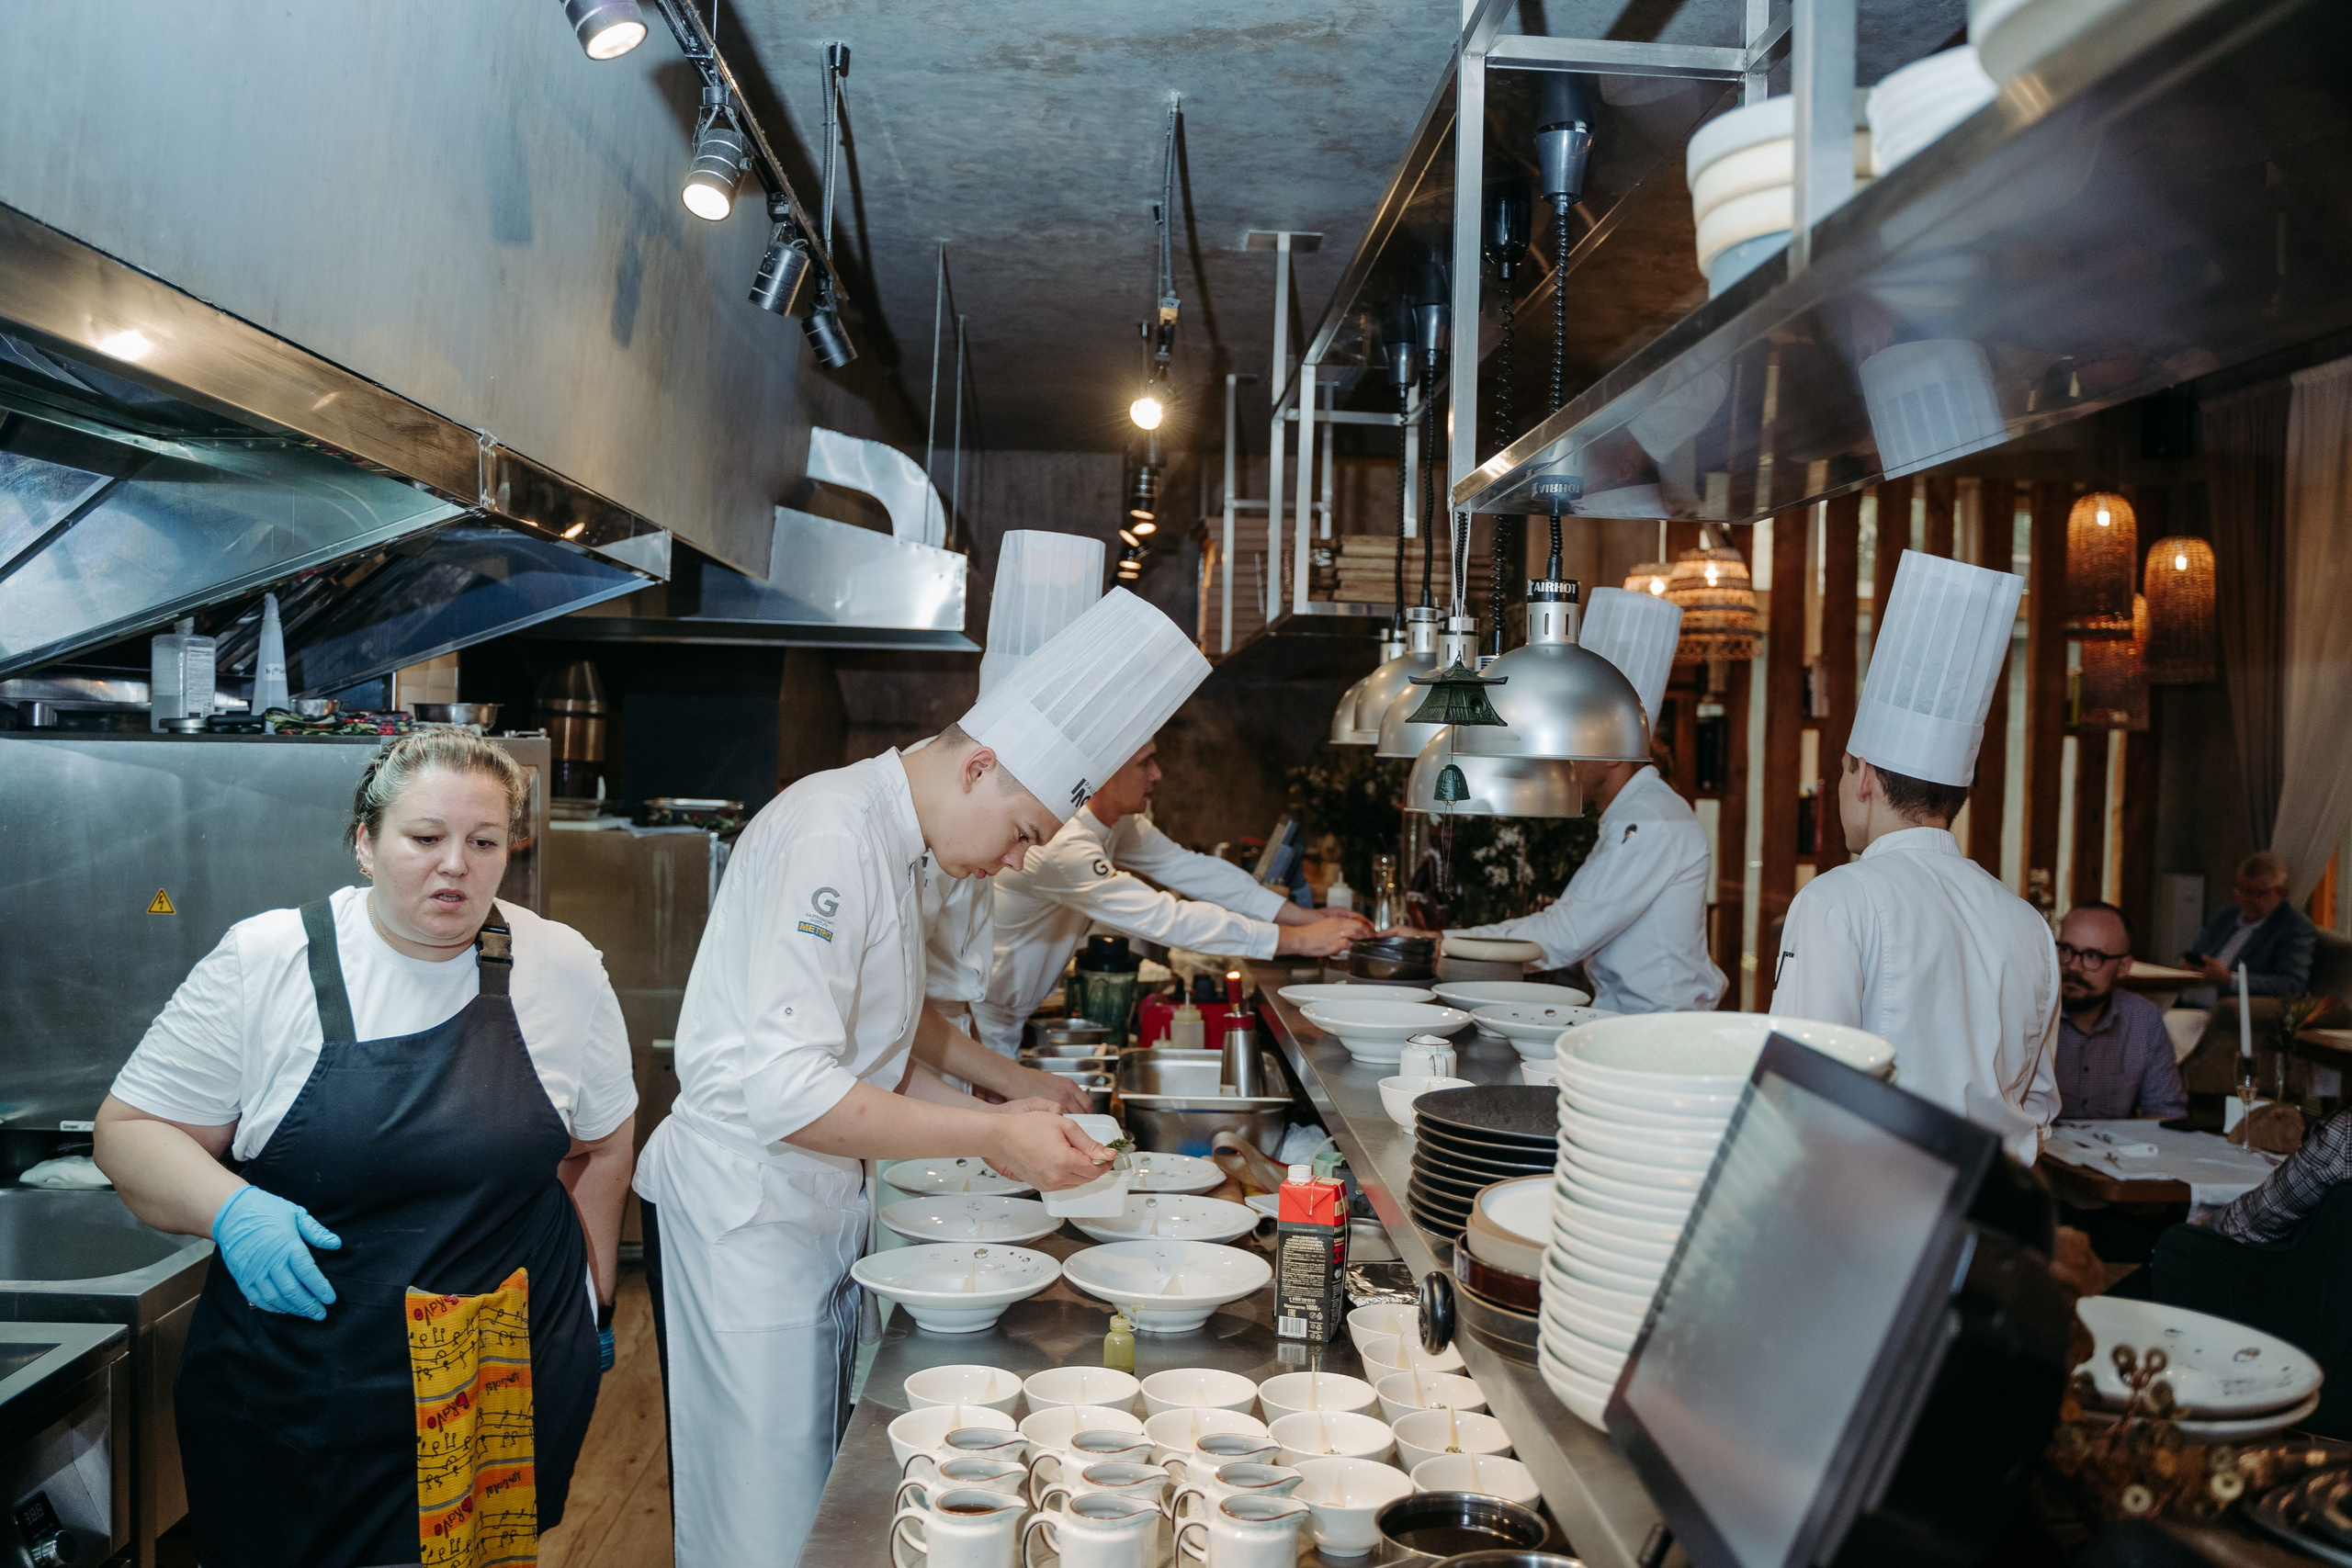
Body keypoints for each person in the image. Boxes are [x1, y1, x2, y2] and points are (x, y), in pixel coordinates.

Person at [633, 588, 1213, 1568]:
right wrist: (990, 1134)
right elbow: (788, 1090)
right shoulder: (832, 834)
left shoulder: (898, 843)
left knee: (811, 1505)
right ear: (980, 766)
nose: (1017, 858)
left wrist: (1006, 1101)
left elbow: (884, 1036)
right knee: (761, 1529)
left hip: (812, 1202)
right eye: (1025, 831)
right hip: (747, 1214)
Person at [94, 730, 638, 1568]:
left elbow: (599, 1143)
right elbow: (129, 1132)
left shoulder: (558, 964)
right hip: (304, 1388)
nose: (455, 864)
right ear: (365, 842)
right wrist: (231, 1206)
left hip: (488, 1372)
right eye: (425, 838)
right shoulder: (268, 959)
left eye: (483, 841)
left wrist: (594, 1296)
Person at [1771, 551, 2060, 1165]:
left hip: (1871, 1222)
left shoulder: (1834, 900)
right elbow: (2035, 1111)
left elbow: (1797, 1092)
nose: (1843, 785)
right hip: (1988, 1227)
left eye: (1843, 771)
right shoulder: (2028, 924)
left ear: (1867, 777)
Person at [971, 735, 1370, 1056]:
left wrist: (1305, 918)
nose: (1157, 774)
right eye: (1145, 762)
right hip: (977, 1021)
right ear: (1105, 775)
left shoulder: (1117, 824)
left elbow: (1192, 869)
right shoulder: (1063, 844)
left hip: (1007, 1013)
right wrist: (1295, 942)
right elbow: (1164, 917)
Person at [1433, 586, 1724, 1013]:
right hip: (1624, 1019)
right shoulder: (1631, 813)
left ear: (1613, 752)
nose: (1555, 758)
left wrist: (1445, 943)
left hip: (1659, 1032)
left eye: (1571, 738)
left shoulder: (1652, 818)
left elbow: (1564, 935)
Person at [2053, 900, 2187, 1122]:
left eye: (2093, 956)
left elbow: (2167, 1112)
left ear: (2123, 967)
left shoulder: (2143, 1019)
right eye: (2066, 950)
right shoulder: (2028, 1013)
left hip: (2111, 1151)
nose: (2074, 967)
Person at [2184, 849, 2316, 1001]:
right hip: (2185, 1001)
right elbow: (2196, 952)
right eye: (2240, 891)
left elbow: (2290, 985)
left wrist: (2229, 979)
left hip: (2228, 1011)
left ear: (2280, 891)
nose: (2244, 900)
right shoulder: (2225, 916)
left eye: (2255, 893)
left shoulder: (2293, 927)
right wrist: (2188, 966)